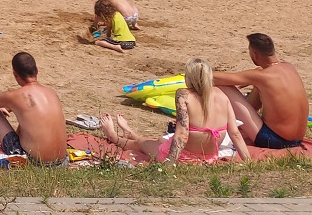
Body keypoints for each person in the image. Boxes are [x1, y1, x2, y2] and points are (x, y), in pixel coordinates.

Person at [101, 58, 251, 164]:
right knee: (160, 140)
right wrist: (248, 161)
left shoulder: (183, 94)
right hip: (209, 157)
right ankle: (130, 133)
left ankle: (114, 136)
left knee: (141, 143)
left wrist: (170, 163)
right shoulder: (221, 95)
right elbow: (235, 133)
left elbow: (182, 134)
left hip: (185, 158)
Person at [213, 33, 309, 149]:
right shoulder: (289, 67)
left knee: (226, 86)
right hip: (298, 139)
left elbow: (216, 78)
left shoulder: (261, 76)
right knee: (258, 86)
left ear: (254, 54)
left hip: (274, 141)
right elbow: (255, 101)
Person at [0, 51, 68, 164]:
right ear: (36, 70)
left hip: (32, 162)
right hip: (62, 161)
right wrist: (7, 106)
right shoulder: (51, 92)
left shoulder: (15, 95)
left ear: (15, 74)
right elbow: (28, 108)